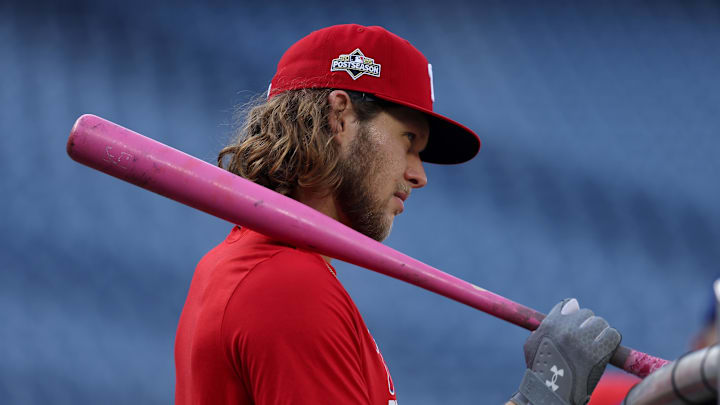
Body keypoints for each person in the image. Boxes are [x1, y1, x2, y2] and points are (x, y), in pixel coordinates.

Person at [174, 24, 621, 405]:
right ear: (340, 117)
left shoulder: (244, 265)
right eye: (409, 139)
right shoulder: (287, 285)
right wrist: (542, 396)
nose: (418, 175)